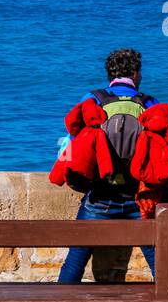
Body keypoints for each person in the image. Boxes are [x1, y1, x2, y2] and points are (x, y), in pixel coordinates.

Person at [58, 48, 159, 282]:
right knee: (158, 260)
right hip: (138, 198)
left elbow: (73, 145)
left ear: (110, 74)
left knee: (76, 258)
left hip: (100, 198)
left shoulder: (93, 100)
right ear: (135, 73)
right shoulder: (150, 103)